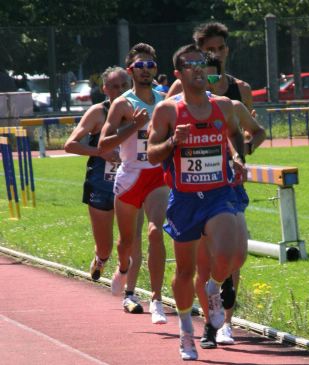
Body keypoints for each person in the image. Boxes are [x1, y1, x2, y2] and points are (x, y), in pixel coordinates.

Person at [147, 44, 247, 361]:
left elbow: (234, 135)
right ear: (178, 74)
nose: (198, 69)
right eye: (190, 65)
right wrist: (174, 140)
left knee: (230, 254)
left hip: (219, 192)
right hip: (185, 198)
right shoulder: (167, 111)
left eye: (201, 63)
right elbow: (152, 154)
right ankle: (186, 332)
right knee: (185, 270)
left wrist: (236, 158)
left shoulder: (224, 106)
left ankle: (215, 288)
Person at [196, 53, 266, 349]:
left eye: (213, 78)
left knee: (235, 256)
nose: (207, 84)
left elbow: (258, 131)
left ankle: (227, 322)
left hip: (229, 187)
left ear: (221, 79)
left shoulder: (232, 107)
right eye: (201, 77)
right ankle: (208, 323)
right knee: (204, 258)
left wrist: (242, 151)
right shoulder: (180, 107)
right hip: (196, 191)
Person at [98, 43, 169, 324]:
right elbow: (104, 143)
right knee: (127, 241)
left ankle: (156, 299)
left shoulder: (164, 100)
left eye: (150, 65)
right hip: (129, 176)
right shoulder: (122, 104)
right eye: (140, 66)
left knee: (155, 233)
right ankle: (123, 268)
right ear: (131, 71)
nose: (146, 70)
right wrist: (133, 126)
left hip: (156, 174)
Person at [64, 67, 146, 305]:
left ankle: (129, 291)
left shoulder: (139, 111)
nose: (120, 91)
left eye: (124, 85)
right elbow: (70, 144)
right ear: (105, 89)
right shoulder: (98, 113)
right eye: (114, 86)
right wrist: (101, 153)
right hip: (101, 184)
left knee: (131, 239)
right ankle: (101, 259)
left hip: (130, 184)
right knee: (106, 246)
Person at [167, 21, 253, 112]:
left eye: (221, 48)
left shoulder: (243, 89)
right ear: (199, 53)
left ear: (227, 50)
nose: (217, 54)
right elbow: (161, 119)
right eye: (210, 50)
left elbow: (251, 124)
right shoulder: (182, 84)